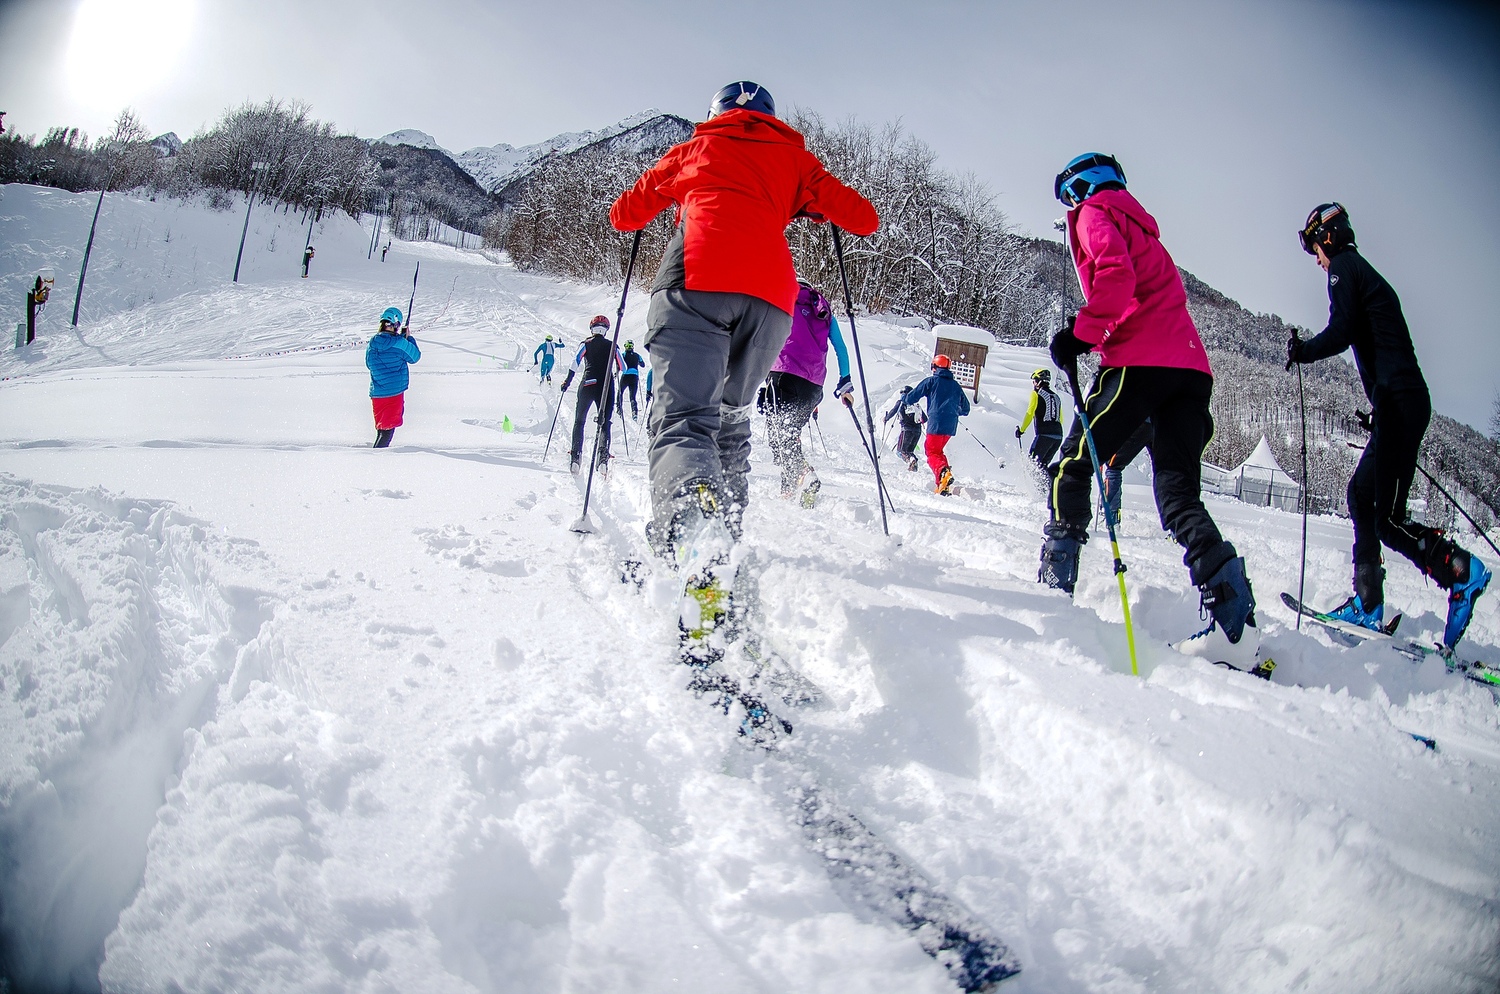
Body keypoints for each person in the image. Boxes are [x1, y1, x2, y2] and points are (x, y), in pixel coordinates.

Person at [608, 80, 878, 567]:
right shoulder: (797, 161)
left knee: (684, 419)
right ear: (771, 118)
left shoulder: (694, 149)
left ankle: (692, 528)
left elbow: (624, 216)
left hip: (696, 281)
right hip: (773, 303)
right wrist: (808, 201)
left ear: (716, 113)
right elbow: (863, 219)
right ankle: (724, 538)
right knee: (731, 419)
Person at [1043, 152, 1257, 666]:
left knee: (1073, 463)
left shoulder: (1096, 213)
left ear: (1081, 188)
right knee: (1178, 492)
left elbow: (1116, 281)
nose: (1071, 205)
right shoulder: (1145, 230)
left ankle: (1054, 588)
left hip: (1140, 364)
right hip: (1190, 371)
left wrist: (1079, 334)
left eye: (1069, 195)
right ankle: (1233, 617)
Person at [1288, 202, 1489, 649]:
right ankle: (1367, 600)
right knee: (1360, 494)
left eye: (1314, 249)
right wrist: (1381, 408)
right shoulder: (1361, 271)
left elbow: (1340, 331)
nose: (1317, 261)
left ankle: (1461, 572)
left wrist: (1302, 351)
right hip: (1397, 403)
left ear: (1327, 237)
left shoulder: (1343, 266)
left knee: (1389, 522)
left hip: (1401, 403)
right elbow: (1386, 344)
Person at [764, 281, 853, 504]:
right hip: (814, 386)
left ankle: (803, 474)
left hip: (784, 374)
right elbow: (841, 347)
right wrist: (845, 382)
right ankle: (789, 489)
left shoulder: (785, 300)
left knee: (779, 435)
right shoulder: (823, 310)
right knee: (789, 434)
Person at [561, 316, 623, 475]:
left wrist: (567, 382)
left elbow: (574, 363)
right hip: (606, 387)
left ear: (592, 328)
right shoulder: (613, 345)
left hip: (588, 384)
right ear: (606, 329)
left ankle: (576, 457)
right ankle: (602, 458)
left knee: (579, 421)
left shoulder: (585, 344)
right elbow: (623, 365)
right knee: (605, 422)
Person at [903, 355, 970, 495]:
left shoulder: (931, 381)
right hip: (951, 425)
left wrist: (904, 398)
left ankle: (943, 472)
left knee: (930, 451)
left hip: (936, 423)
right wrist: (953, 411)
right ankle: (943, 484)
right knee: (938, 452)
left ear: (935, 367)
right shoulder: (956, 386)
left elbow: (912, 397)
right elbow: (966, 409)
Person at [365, 306, 420, 448]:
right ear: (396, 325)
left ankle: (376, 456)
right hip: (393, 393)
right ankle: (376, 460)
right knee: (387, 433)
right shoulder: (400, 343)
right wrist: (409, 339)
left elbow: (368, 363)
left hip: (377, 393)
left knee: (382, 430)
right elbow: (415, 357)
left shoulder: (373, 342)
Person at [1101, 419, 1154, 524]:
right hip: (1160, 421)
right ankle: (1178, 528)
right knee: (1166, 471)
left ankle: (1112, 519)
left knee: (1113, 467)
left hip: (1138, 421)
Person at [1016, 368, 1064, 472]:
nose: (1033, 383)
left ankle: (1038, 488)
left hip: (1044, 435)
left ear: (1039, 381)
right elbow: (1061, 419)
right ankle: (1048, 487)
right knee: (1042, 467)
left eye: (1034, 380)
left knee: (1032, 464)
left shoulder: (1036, 394)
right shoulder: (1056, 397)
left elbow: (1030, 412)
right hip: (1058, 436)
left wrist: (1022, 430)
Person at [883, 384, 925, 471]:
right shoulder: (916, 405)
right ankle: (913, 465)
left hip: (906, 430)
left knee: (901, 451)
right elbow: (924, 418)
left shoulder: (901, 402)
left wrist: (886, 418)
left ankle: (912, 461)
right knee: (909, 451)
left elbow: (893, 411)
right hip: (918, 431)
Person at [618, 340, 648, 419]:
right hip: (634, 376)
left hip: (625, 376)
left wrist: (616, 373)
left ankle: (619, 409)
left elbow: (619, 365)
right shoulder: (637, 355)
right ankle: (634, 412)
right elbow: (643, 365)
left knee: (620, 393)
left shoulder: (623, 355)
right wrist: (637, 362)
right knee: (632, 396)